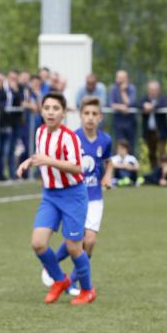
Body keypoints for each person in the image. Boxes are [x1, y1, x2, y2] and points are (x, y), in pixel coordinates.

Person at [16, 92, 95, 305]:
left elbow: (77, 166)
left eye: (55, 108)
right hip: (50, 196)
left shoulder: (69, 136)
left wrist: (49, 161)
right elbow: (40, 156)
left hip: (73, 195)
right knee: (38, 243)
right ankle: (60, 280)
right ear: (41, 111)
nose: (50, 112)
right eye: (47, 108)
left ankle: (87, 290)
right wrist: (28, 162)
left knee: (73, 247)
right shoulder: (40, 132)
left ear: (63, 113)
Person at [42, 97, 112, 293]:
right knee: (74, 240)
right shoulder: (72, 137)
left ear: (100, 117)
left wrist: (107, 177)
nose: (90, 118)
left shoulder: (105, 140)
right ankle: (54, 267)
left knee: (89, 241)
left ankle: (72, 279)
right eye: (86, 114)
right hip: (74, 196)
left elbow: (109, 161)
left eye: (94, 114)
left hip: (95, 197)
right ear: (80, 116)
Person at [140, 80, 167, 170]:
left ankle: (164, 173)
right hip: (149, 131)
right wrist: (144, 105)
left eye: (155, 89)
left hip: (160, 131)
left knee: (162, 153)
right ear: (148, 90)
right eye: (151, 89)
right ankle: (155, 173)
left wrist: (152, 107)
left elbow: (165, 104)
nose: (153, 91)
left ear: (159, 90)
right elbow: (137, 104)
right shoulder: (144, 99)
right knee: (151, 153)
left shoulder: (162, 98)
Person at [109, 70, 137, 155]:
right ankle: (118, 166)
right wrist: (121, 107)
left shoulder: (131, 88)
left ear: (126, 79)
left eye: (121, 78)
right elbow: (111, 103)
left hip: (130, 121)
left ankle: (130, 165)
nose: (119, 80)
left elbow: (130, 103)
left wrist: (123, 92)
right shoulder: (113, 88)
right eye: (118, 77)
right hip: (118, 121)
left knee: (130, 145)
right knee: (119, 143)